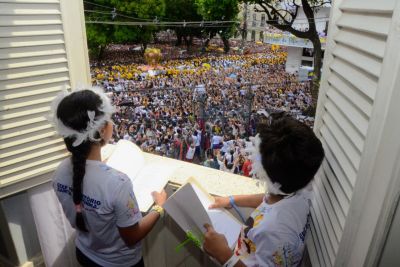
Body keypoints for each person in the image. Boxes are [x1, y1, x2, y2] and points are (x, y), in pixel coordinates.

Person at [50, 87, 167, 267]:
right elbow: (132, 236)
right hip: (119, 263)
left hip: (84, 253)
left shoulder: (59, 172)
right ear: (102, 130)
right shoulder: (118, 183)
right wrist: (159, 208)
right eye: (109, 119)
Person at [203, 114, 324, 267]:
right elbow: (269, 200)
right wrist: (232, 200)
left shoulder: (272, 231)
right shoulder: (298, 193)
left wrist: (224, 256)